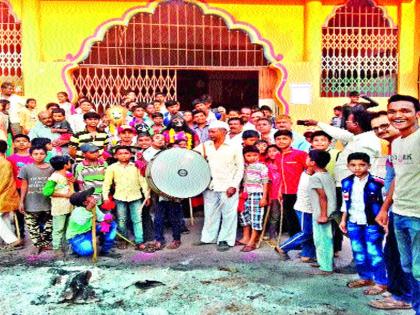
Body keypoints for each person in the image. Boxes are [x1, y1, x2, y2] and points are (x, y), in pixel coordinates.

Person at [375, 94, 420, 314]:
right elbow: (398, 178)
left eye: (405, 110)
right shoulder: (398, 143)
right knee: (407, 267)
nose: (398, 115)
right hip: (399, 214)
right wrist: (385, 208)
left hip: (418, 216)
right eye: (393, 111)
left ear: (417, 114)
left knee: (418, 269)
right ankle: (412, 303)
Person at [368, 111, 411, 310]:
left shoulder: (407, 145)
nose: (380, 130)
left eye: (385, 125)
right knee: (393, 252)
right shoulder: (395, 146)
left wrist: (385, 208)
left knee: (399, 254)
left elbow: (399, 179)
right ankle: (398, 291)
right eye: (376, 128)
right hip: (396, 207)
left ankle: (403, 297)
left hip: (405, 208)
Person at [339, 152, 387, 293]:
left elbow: (386, 204)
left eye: (362, 165)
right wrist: (343, 220)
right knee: (358, 252)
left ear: (369, 166)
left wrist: (385, 222)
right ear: (348, 166)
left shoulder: (378, 183)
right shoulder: (346, 182)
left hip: (372, 224)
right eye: (353, 165)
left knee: (374, 252)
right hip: (353, 222)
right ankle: (365, 277)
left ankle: (381, 282)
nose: (357, 168)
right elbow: (345, 203)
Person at [194, 120, 244, 251]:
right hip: (210, 185)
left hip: (228, 186)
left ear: (223, 132)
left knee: (229, 214)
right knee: (210, 213)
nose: (210, 134)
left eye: (213, 131)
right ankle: (208, 238)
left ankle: (225, 240)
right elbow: (192, 156)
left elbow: (240, 168)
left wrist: (234, 185)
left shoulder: (234, 146)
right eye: (209, 131)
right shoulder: (205, 145)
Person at [102, 146, 150, 250]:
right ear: (115, 156)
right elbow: (107, 184)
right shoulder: (112, 168)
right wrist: (105, 197)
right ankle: (123, 239)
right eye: (120, 153)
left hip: (136, 196)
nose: (123, 155)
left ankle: (139, 241)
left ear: (131, 154)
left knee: (137, 219)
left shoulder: (136, 166)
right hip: (120, 197)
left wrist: (147, 196)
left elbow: (143, 182)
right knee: (122, 220)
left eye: (126, 153)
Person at [275, 156, 315, 262]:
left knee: (310, 232)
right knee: (307, 232)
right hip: (304, 208)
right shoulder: (308, 175)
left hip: (310, 208)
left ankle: (306, 255)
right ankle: (282, 247)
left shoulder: (311, 174)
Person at [18, 146, 54, 254]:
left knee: (50, 224)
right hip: (31, 201)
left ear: (46, 155)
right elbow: (24, 185)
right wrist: (21, 201)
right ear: (31, 155)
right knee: (31, 225)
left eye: (42, 153)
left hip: (48, 201)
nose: (39, 156)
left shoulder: (52, 168)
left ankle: (46, 243)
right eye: (36, 154)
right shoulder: (26, 168)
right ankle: (37, 245)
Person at [307, 149, 336, 275]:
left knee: (322, 239)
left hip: (321, 213)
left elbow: (322, 197)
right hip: (330, 211)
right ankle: (324, 262)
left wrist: (323, 215)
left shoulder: (315, 177)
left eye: (308, 158)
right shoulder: (327, 175)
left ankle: (326, 267)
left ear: (313, 162)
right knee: (325, 238)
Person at [66, 187, 118, 257]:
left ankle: (105, 250)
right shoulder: (77, 211)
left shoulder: (94, 206)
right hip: (77, 236)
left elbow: (101, 217)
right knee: (88, 251)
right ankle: (74, 247)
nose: (93, 196)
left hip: (90, 230)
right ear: (85, 202)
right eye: (90, 196)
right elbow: (81, 221)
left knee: (112, 225)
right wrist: (88, 209)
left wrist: (108, 218)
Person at [274, 130, 308, 237]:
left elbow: (310, 171)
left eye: (285, 138)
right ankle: (294, 240)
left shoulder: (301, 154)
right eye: (278, 139)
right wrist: (279, 191)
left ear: (291, 140)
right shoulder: (277, 156)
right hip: (285, 192)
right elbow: (280, 175)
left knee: (301, 217)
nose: (281, 141)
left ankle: (304, 242)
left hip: (300, 192)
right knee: (290, 217)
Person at [237, 145, 268, 252]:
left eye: (255, 155)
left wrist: (264, 197)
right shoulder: (243, 166)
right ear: (244, 156)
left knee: (256, 217)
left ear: (259, 155)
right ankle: (246, 237)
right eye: (248, 155)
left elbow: (265, 182)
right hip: (245, 194)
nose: (252, 158)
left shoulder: (261, 166)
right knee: (243, 215)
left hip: (257, 194)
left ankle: (252, 241)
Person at [42, 156, 74, 258]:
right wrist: (65, 195)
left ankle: (66, 247)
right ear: (65, 165)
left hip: (69, 206)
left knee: (68, 228)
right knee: (58, 228)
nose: (71, 164)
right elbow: (47, 192)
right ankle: (57, 248)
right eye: (69, 162)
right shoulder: (54, 177)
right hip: (59, 207)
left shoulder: (67, 175)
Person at [8, 134, 33, 238]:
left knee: (35, 211)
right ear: (13, 144)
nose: (21, 143)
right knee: (19, 213)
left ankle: (39, 236)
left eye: (24, 141)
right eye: (18, 141)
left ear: (29, 143)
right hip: (17, 188)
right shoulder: (10, 159)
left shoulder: (34, 157)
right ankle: (20, 235)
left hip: (32, 188)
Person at [0, 140, 21, 250]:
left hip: (3, 195)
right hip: (7, 195)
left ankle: (11, 240)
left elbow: (2, 181)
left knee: (4, 218)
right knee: (5, 219)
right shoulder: (5, 162)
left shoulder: (2, 163)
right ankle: (9, 241)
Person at [264, 144, 281, 241]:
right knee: (273, 213)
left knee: (277, 214)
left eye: (274, 151)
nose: (272, 153)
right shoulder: (267, 165)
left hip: (280, 191)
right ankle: (272, 233)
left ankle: (274, 233)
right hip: (271, 192)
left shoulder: (282, 163)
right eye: (269, 151)